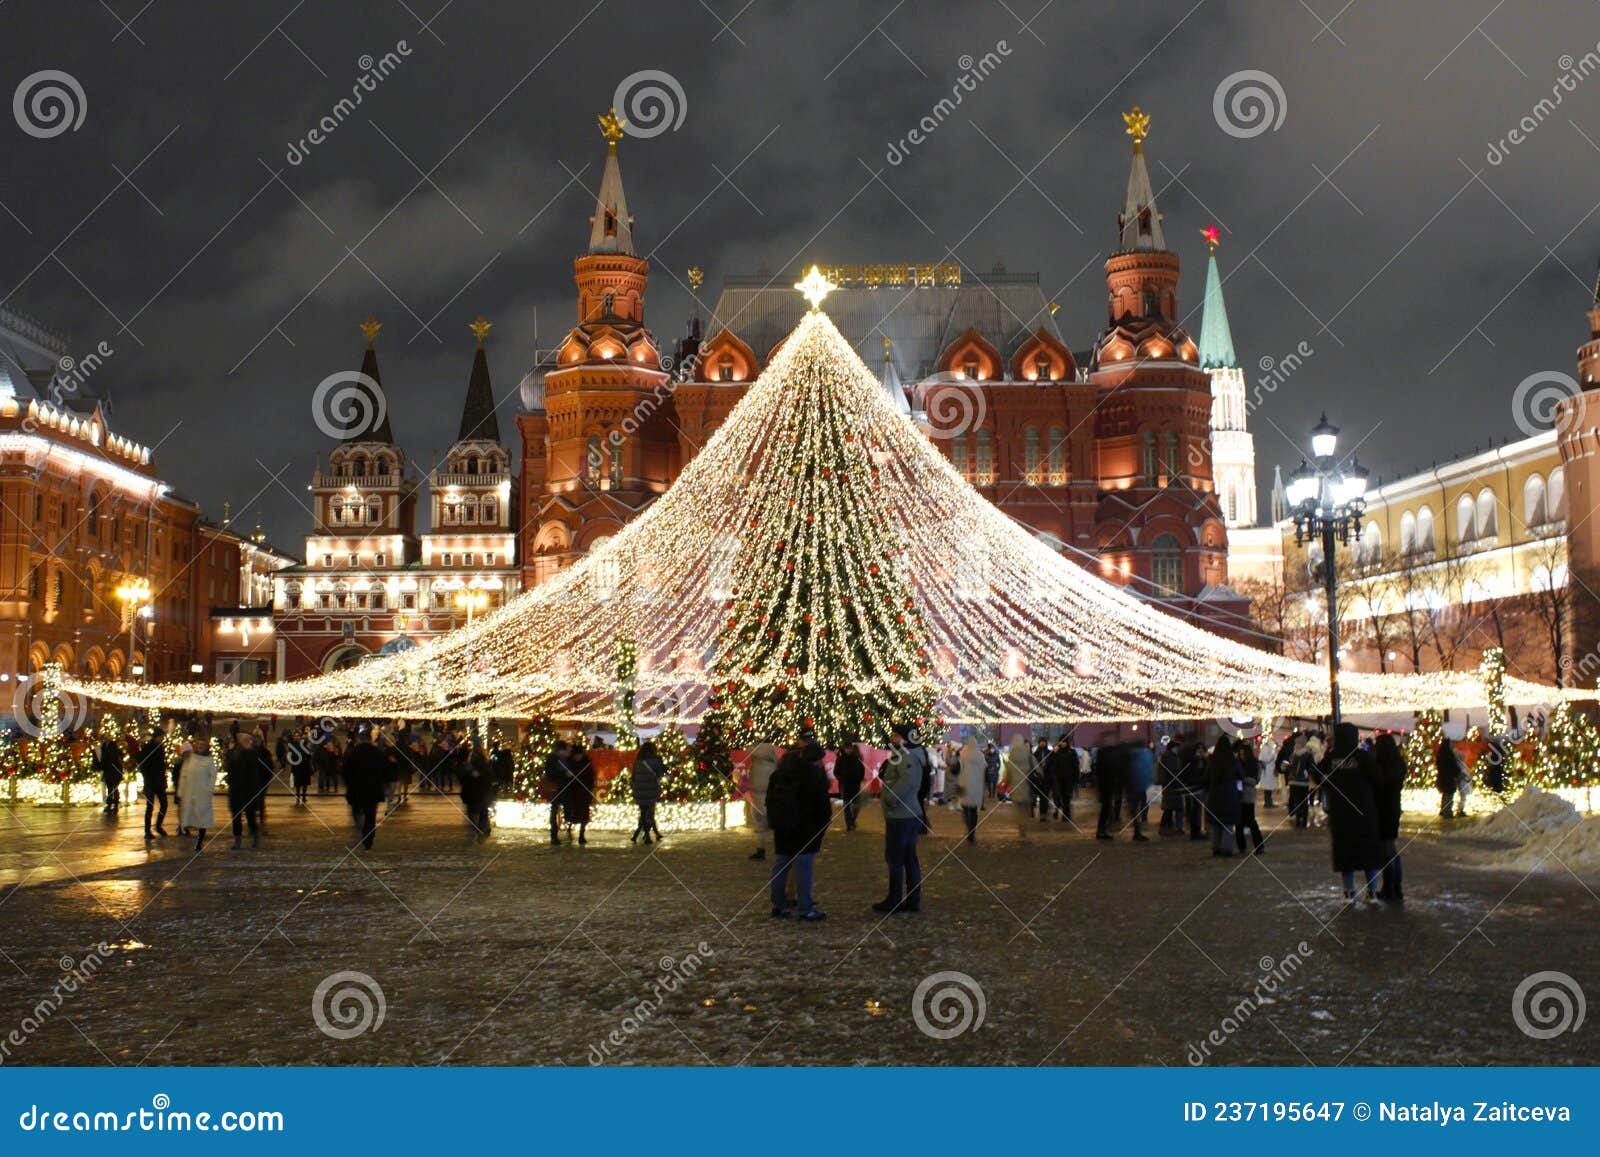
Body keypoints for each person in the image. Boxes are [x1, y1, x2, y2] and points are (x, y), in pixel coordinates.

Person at [764, 742, 830, 921]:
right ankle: (805, 908)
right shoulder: (814, 776)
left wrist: (775, 822)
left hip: (783, 829)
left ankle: (779, 905)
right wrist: (821, 827)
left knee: (781, 866)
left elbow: (769, 800)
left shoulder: (778, 775)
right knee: (804, 868)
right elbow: (822, 807)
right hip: (806, 830)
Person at [1325, 722, 1383, 902]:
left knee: (1345, 853)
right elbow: (1378, 778)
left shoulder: (1331, 759)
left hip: (1340, 813)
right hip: (1364, 811)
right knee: (1368, 853)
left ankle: (1349, 891)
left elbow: (1319, 776)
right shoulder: (1363, 757)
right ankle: (1372, 891)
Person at [875, 724, 928, 913]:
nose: (893, 739)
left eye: (896, 736)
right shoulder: (904, 756)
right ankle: (909, 900)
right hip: (903, 814)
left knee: (897, 858)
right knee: (907, 858)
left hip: (902, 816)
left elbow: (906, 783)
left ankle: (895, 899)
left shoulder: (908, 758)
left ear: (905, 738)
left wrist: (890, 799)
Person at [1373, 732, 1406, 900]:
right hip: (1393, 808)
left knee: (1387, 851)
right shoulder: (1398, 763)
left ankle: (1389, 888)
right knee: (1391, 848)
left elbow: (1378, 784)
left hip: (1383, 810)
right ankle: (1396, 886)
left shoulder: (1382, 765)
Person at [343, 727, 387, 851]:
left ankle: (360, 828)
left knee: (356, 811)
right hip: (373, 790)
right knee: (370, 816)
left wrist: (349, 784)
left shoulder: (353, 753)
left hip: (356, 789)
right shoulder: (377, 753)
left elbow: (346, 771)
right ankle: (368, 838)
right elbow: (384, 769)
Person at [225, 733, 272, 849]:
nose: (244, 742)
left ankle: (255, 836)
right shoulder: (233, 753)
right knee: (236, 816)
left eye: (246, 739)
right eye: (241, 739)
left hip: (249, 790)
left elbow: (263, 770)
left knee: (250, 815)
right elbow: (228, 767)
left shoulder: (255, 753)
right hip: (236, 790)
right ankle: (237, 839)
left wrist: (261, 786)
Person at [177, 736, 218, 852]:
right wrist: (181, 792)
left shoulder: (209, 761)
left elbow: (213, 776)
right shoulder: (190, 759)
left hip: (202, 793)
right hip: (190, 792)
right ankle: (186, 834)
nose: (200, 747)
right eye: (198, 744)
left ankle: (199, 842)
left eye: (202, 745)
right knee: (189, 815)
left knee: (202, 818)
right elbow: (183, 775)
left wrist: (209, 789)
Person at [1204, 739, 1242, 858]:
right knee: (1228, 824)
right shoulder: (1232, 761)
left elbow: (1206, 777)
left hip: (1215, 795)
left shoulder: (1212, 761)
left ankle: (1216, 847)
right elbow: (1241, 774)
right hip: (1229, 795)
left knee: (1216, 824)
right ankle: (1227, 848)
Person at [747, 737, 779, 860]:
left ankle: (761, 849)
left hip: (758, 796)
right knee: (775, 824)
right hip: (771, 796)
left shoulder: (755, 763)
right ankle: (779, 849)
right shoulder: (773, 763)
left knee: (760, 824)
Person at [1234, 738, 1265, 854]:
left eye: (1243, 754)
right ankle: (1242, 846)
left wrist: (1244, 779)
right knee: (1239, 823)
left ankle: (1259, 846)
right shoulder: (1238, 764)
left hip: (1248, 796)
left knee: (1251, 821)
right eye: (1240, 754)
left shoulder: (1254, 765)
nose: (1242, 756)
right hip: (1239, 796)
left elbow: (1256, 780)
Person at [631, 739, 665, 844]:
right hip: (651, 791)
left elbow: (633, 777)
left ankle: (644, 834)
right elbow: (659, 774)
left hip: (640, 792)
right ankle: (649, 835)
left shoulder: (638, 762)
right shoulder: (655, 761)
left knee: (644, 813)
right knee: (650, 813)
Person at [138, 727, 169, 840]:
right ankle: (147, 830)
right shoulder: (147, 748)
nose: (162, 739)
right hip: (151, 781)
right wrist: (147, 778)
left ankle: (158, 826)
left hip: (159, 781)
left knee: (164, 804)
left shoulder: (160, 747)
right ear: (157, 737)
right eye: (161, 737)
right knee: (150, 806)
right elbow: (143, 765)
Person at [460, 740, 494, 838]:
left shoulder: (472, 763)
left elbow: (465, 777)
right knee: (482, 811)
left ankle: (478, 830)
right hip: (482, 791)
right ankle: (482, 829)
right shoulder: (485, 761)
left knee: (474, 812)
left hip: (474, 791)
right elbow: (489, 776)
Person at [564, 743, 595, 845]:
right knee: (572, 813)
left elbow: (591, 777)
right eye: (576, 755)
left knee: (584, 815)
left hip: (584, 792)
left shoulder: (586, 763)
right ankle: (569, 828)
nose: (578, 757)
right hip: (573, 792)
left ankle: (582, 834)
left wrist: (588, 786)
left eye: (579, 755)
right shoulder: (569, 763)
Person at [956, 735, 984, 843]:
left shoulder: (963, 754)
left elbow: (959, 769)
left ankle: (969, 828)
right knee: (973, 810)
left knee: (965, 808)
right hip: (976, 786)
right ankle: (972, 830)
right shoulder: (980, 756)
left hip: (964, 784)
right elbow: (984, 768)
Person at [543, 740, 572, 844]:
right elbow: (550, 773)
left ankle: (567, 828)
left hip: (565, 788)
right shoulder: (552, 759)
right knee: (554, 810)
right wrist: (564, 774)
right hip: (555, 788)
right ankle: (554, 834)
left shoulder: (566, 758)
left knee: (566, 809)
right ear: (561, 750)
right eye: (565, 750)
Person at [833, 740, 866, 832]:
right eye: (847, 748)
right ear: (844, 749)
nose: (848, 750)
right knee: (846, 806)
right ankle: (849, 824)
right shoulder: (840, 759)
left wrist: (859, 779)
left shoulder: (856, 758)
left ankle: (852, 820)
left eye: (850, 748)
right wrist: (841, 779)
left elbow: (862, 769)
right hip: (845, 785)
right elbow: (836, 772)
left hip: (855, 784)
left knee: (857, 805)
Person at [1125, 740, 1154, 842]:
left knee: (1134, 808)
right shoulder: (1146, 755)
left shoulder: (1130, 756)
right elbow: (1149, 769)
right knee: (1143, 803)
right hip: (1142, 785)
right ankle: (1142, 820)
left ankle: (1137, 829)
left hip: (1133, 786)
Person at [1286, 733, 1313, 829]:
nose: (1295, 745)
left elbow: (1311, 767)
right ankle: (1298, 819)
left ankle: (1304, 819)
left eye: (1297, 743)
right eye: (1295, 743)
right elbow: (1290, 765)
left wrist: (1307, 772)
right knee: (1297, 801)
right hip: (1293, 781)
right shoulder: (1293, 754)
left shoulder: (1307, 754)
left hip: (1303, 782)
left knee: (1303, 801)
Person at [1048, 736, 1078, 821]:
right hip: (1058, 779)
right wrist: (1054, 753)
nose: (1063, 743)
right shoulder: (1057, 752)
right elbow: (1051, 762)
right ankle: (1061, 813)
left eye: (1064, 741)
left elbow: (1075, 765)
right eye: (1061, 741)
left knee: (1067, 797)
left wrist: (1076, 778)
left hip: (1069, 779)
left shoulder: (1071, 752)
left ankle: (1066, 815)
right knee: (1060, 797)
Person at [1435, 736, 1464, 819]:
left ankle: (1443, 810)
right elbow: (1452, 766)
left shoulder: (1441, 753)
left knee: (1445, 794)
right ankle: (1447, 812)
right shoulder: (1448, 754)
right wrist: (1457, 772)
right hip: (1449, 779)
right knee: (1449, 795)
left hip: (1443, 777)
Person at [98, 732, 124, 816]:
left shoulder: (112, 745)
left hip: (113, 770)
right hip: (109, 770)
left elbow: (109, 757)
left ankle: (114, 805)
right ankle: (110, 804)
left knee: (114, 788)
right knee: (110, 788)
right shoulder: (104, 745)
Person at [1257, 733, 1280, 808]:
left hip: (1267, 771)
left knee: (1268, 788)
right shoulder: (1269, 750)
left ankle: (1268, 802)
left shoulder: (1265, 748)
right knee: (1268, 788)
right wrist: (1273, 755)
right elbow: (1268, 759)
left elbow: (1261, 759)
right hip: (1269, 770)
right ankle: (1268, 803)